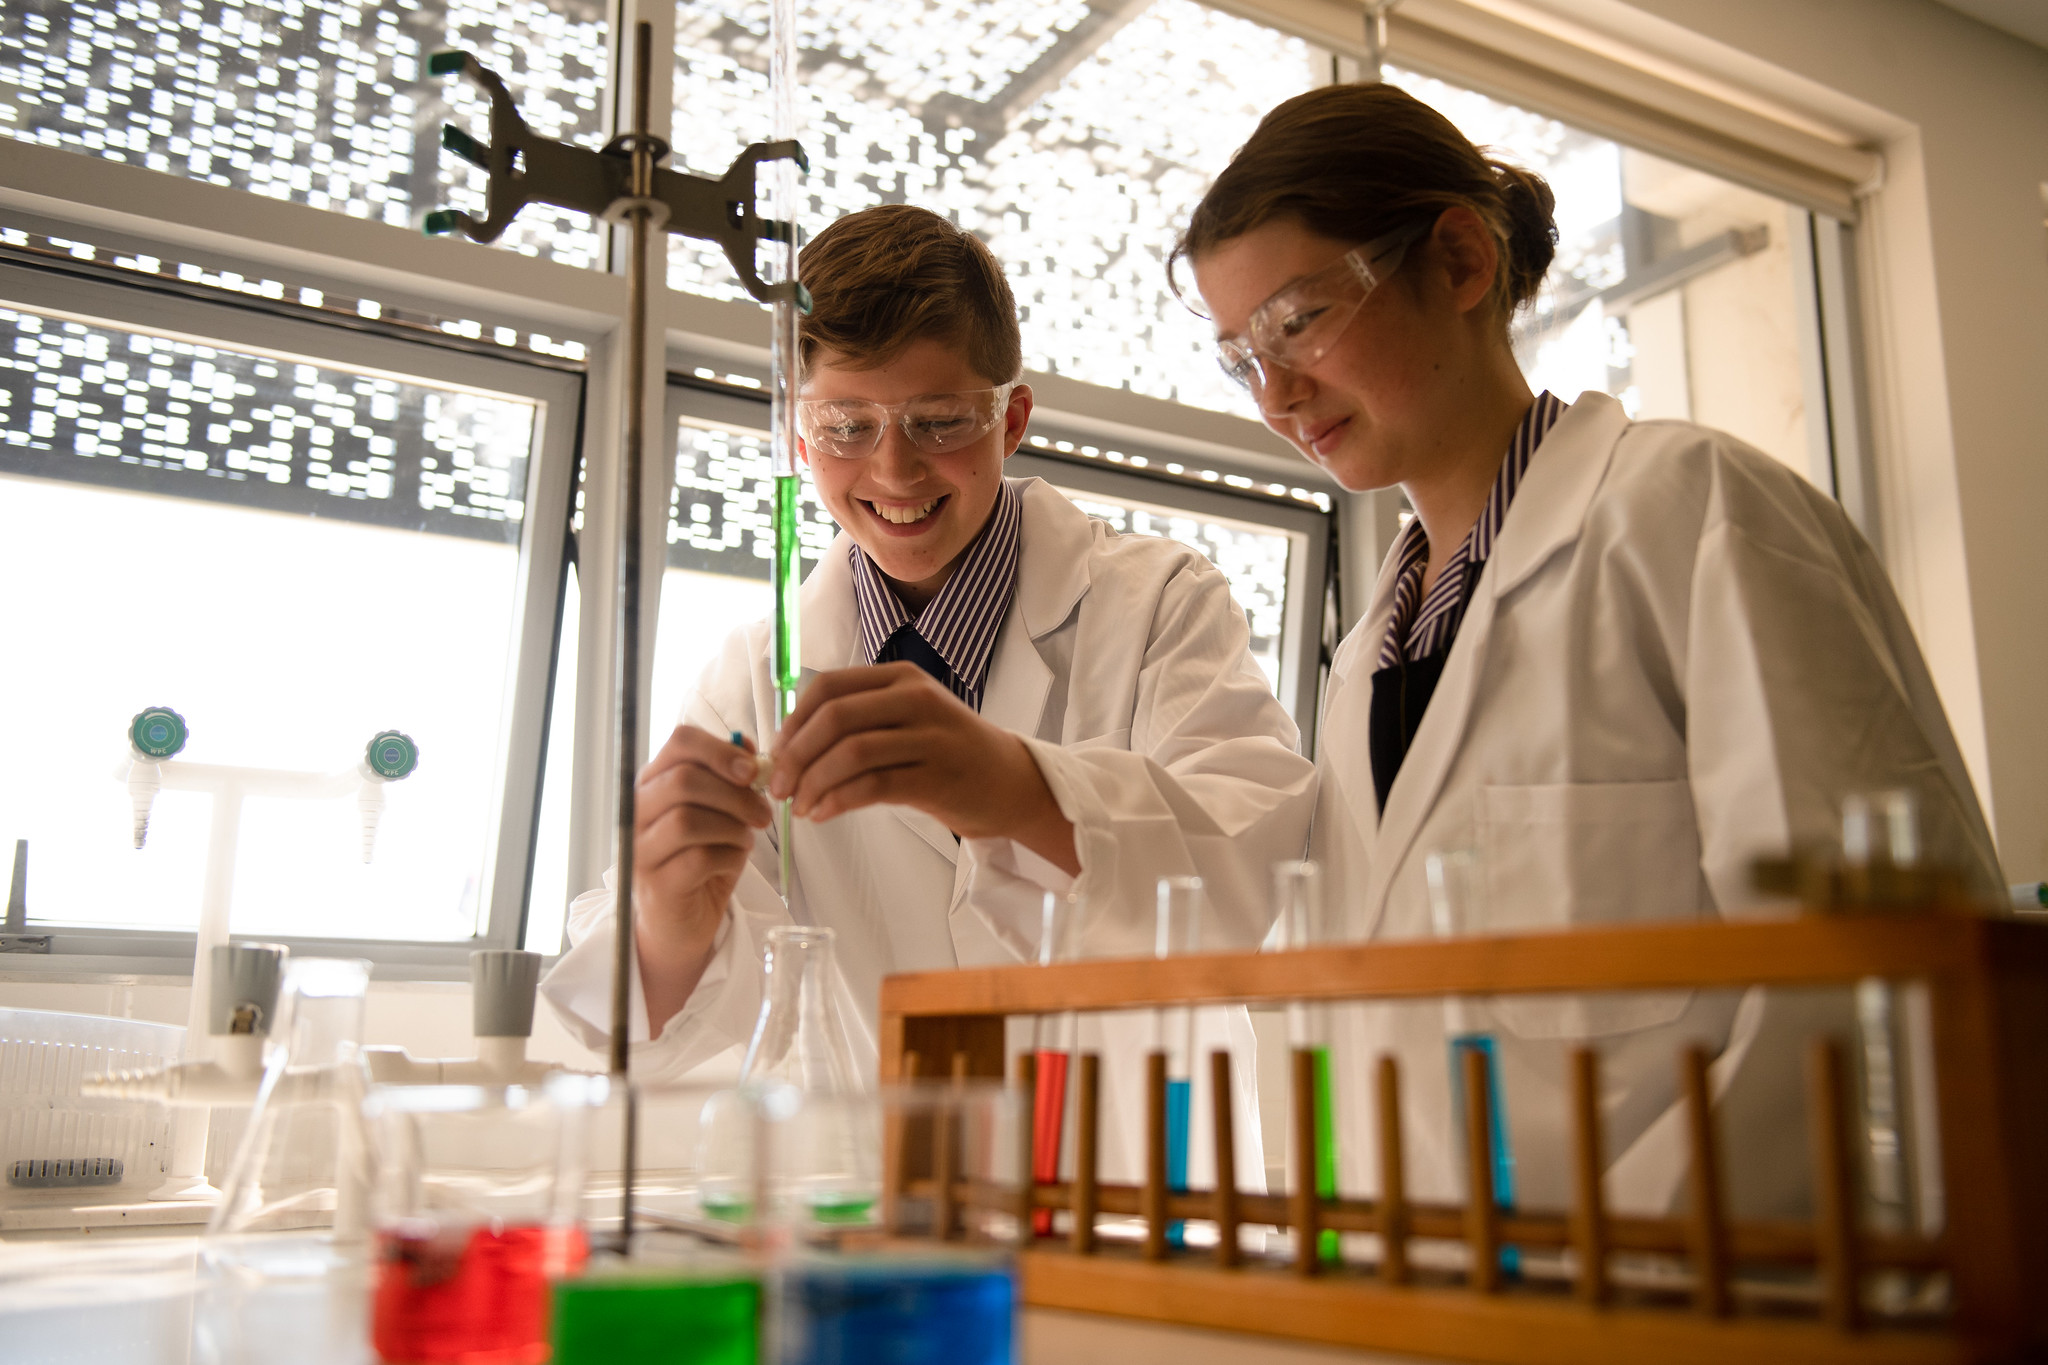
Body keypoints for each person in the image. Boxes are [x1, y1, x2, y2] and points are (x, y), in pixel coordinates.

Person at [1175, 83, 2001, 1219]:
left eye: (1297, 322)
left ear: (1459, 261)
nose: (1273, 393)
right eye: (1238, 357)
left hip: (1706, 1294)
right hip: (1428, 1295)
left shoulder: (1692, 511)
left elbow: (1888, 964)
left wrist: (1640, 1278)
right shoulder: (1367, 648)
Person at [542, 203, 1317, 1184]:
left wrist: (1016, 789)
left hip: (1126, 1199)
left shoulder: (1157, 603)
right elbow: (650, 1026)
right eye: (845, 426)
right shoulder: (757, 674)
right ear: (796, 430)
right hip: (875, 1206)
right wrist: (668, 918)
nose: (893, 469)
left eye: (940, 422)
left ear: (1012, 418)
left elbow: (1252, 869)